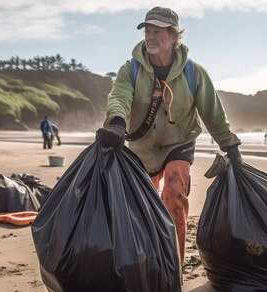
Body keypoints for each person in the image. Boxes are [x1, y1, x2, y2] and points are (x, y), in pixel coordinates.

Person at [97, 6, 241, 264]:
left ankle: (175, 263)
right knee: (144, 205)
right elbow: (119, 97)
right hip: (142, 147)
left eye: (158, 31)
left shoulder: (193, 72)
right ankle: (149, 261)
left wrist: (230, 146)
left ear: (175, 37)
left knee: (174, 194)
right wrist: (117, 123)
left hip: (179, 141)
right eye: (148, 31)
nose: (151, 37)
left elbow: (213, 112)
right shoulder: (130, 70)